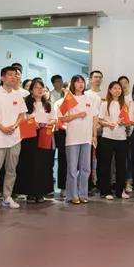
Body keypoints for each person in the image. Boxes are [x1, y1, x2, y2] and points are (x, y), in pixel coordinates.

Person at [0, 66, 26, 211]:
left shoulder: (18, 95)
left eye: (15, 75)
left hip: (15, 137)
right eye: (10, 75)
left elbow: (22, 114)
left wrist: (15, 126)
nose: (13, 77)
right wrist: (2, 127)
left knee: (11, 169)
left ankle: (7, 196)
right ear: (2, 77)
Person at [57, 75, 98, 205]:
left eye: (82, 82)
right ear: (73, 84)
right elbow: (62, 118)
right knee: (72, 169)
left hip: (86, 138)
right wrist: (77, 115)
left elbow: (95, 118)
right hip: (73, 138)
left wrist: (94, 135)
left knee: (86, 168)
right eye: (77, 82)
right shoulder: (69, 99)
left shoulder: (90, 99)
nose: (80, 84)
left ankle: (83, 194)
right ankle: (72, 195)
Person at [14, 78, 56, 203]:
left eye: (41, 87)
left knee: (44, 164)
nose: (39, 90)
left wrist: (48, 123)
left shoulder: (48, 104)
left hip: (45, 134)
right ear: (31, 90)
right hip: (30, 136)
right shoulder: (25, 103)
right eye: (36, 88)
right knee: (29, 164)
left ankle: (40, 192)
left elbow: (54, 119)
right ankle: (30, 193)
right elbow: (21, 118)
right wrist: (32, 123)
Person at [96, 81, 129, 200]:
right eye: (114, 88)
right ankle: (106, 191)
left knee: (121, 166)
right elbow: (99, 120)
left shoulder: (124, 105)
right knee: (106, 165)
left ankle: (120, 191)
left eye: (119, 88)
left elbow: (128, 121)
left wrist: (124, 122)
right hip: (108, 137)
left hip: (122, 138)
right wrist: (108, 123)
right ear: (110, 90)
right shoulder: (105, 104)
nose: (117, 90)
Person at [50, 74, 68, 198]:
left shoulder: (73, 101)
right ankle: (50, 185)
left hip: (68, 132)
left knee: (64, 160)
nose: (60, 84)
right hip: (54, 131)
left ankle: (64, 187)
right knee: (51, 160)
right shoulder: (53, 98)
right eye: (57, 81)